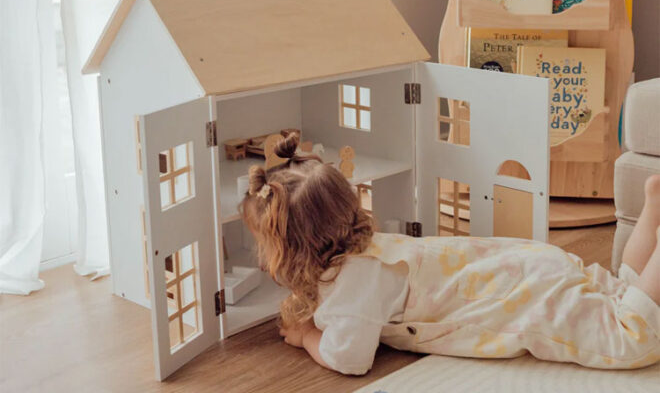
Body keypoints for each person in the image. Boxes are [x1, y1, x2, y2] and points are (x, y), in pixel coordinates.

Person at [239, 133, 660, 375]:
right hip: (530, 266)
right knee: (622, 291)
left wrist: (307, 336)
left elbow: (350, 359)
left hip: (525, 299)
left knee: (635, 339)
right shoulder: (367, 251)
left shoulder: (354, 282)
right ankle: (652, 205)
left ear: (294, 247)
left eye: (264, 243)